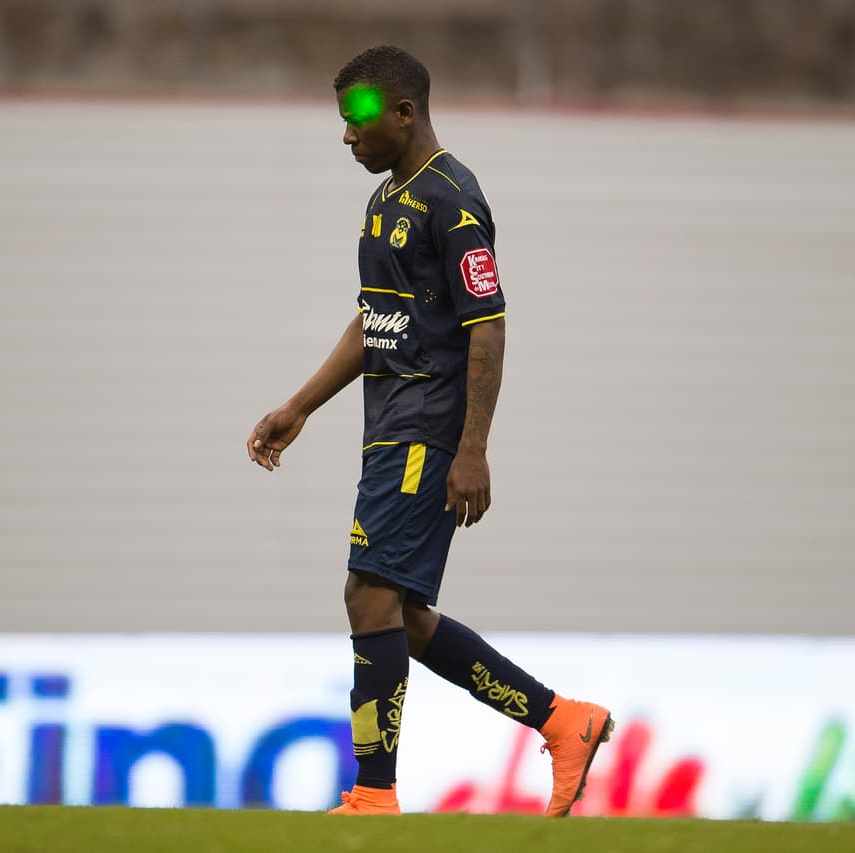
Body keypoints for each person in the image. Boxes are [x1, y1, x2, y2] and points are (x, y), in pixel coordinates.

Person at [246, 45, 612, 817]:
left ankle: (374, 793)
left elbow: (490, 325)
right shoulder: (384, 202)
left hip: (425, 430)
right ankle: (562, 720)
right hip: (388, 428)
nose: (347, 136)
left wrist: (472, 447)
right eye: (342, 122)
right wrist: (301, 404)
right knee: (403, 617)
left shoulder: (455, 199)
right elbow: (378, 318)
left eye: (358, 121)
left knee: (366, 594)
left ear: (405, 113)